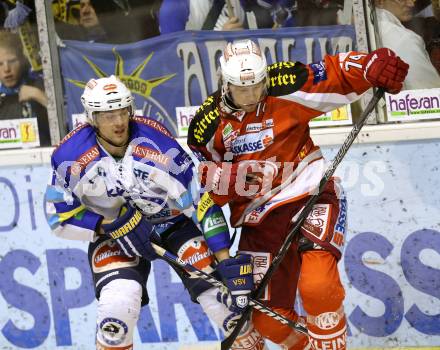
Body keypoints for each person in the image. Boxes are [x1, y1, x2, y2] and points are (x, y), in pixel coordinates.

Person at [188, 40, 408, 349]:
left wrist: (370, 66)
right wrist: (227, 180)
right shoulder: (205, 127)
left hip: (311, 193)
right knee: (267, 319)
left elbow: (335, 72)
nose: (252, 96)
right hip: (259, 220)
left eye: (257, 86)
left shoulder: (283, 82)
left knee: (318, 286)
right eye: (242, 89)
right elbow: (206, 190)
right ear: (225, 82)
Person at [45, 75, 265, 349]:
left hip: (172, 225)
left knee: (225, 306)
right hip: (116, 237)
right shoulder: (71, 155)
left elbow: (201, 200)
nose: (118, 122)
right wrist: (107, 225)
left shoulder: (157, 144)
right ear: (91, 117)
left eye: (123, 111)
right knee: (117, 312)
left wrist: (223, 259)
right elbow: (57, 215)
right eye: (107, 114)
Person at [375, 0, 440, 89]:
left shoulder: (372, 30)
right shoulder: (404, 39)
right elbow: (430, 94)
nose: (412, 4)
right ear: (380, 2)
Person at [0, 30, 50, 145]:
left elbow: (68, 125)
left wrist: (39, 95)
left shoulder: (41, 85)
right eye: (0, 64)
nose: (6, 69)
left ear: (22, 60)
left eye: (12, 61)